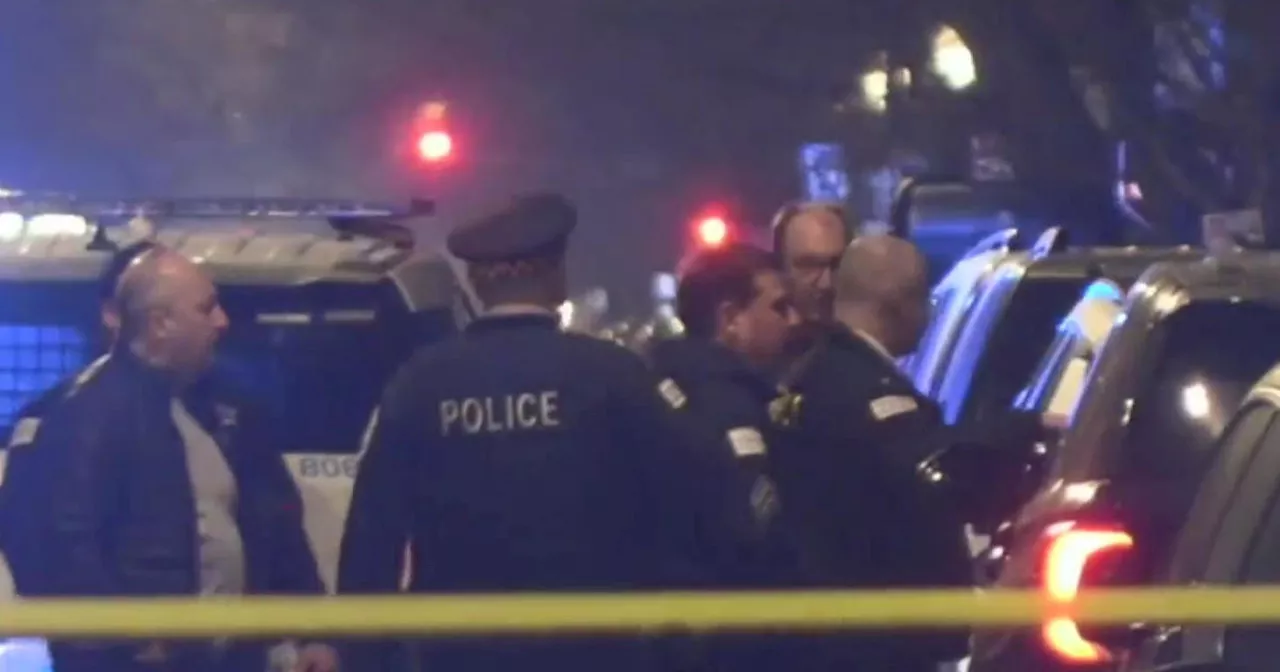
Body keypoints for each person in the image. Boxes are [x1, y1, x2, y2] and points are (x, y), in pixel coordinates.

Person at [338, 192, 754, 672]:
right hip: (593, 650)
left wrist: (364, 652)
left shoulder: (420, 382)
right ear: (556, 274)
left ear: (475, 282)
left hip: (457, 652)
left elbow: (374, 531)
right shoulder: (610, 374)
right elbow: (680, 509)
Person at [7, 245, 337, 672]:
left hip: (233, 656)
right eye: (207, 309)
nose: (223, 322)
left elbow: (278, 521)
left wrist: (313, 630)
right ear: (159, 322)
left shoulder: (232, 410)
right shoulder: (77, 415)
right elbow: (52, 543)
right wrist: (120, 642)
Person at [769, 234, 1048, 671]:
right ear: (900, 303)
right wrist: (1025, 431)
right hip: (875, 645)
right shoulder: (864, 393)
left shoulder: (818, 372)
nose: (929, 314)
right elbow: (929, 473)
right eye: (923, 298)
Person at [768, 201, 855, 376]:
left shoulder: (873, 351)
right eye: (808, 265)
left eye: (837, 264)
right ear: (779, 267)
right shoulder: (760, 355)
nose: (826, 283)